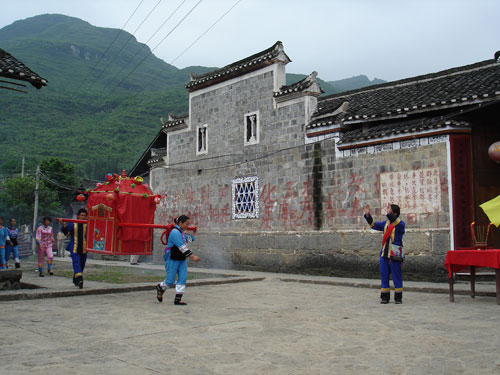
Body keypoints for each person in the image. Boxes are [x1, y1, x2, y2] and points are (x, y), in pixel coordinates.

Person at [364, 203, 406, 304]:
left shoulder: (401, 224)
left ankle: (398, 297)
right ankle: (385, 297)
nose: (387, 210)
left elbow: (396, 222)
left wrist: (390, 213)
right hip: (384, 253)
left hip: (395, 254)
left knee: (397, 276)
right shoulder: (385, 223)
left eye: (389, 209)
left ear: (394, 213)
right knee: (384, 275)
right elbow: (373, 225)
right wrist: (368, 216)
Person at [156, 215, 200, 305]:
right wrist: (192, 256)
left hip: (181, 258)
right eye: (186, 224)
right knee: (170, 280)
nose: (187, 226)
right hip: (172, 258)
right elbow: (182, 247)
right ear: (180, 223)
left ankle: (178, 299)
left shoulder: (181, 233)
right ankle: (160, 288)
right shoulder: (175, 232)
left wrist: (193, 234)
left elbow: (185, 240)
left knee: (183, 278)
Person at [62, 208, 88, 289]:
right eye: (81, 215)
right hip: (74, 247)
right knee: (76, 262)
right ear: (78, 216)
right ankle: (80, 279)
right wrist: (64, 227)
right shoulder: (73, 224)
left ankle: (76, 279)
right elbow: (67, 233)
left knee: (82, 264)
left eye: (84, 216)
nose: (83, 217)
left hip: (84, 247)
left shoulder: (88, 224)